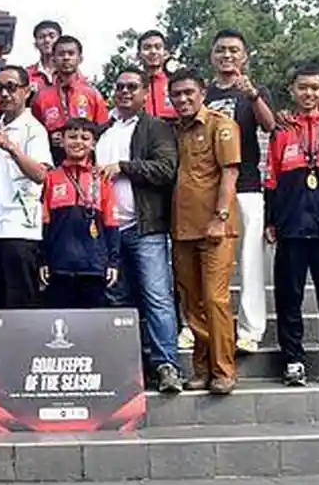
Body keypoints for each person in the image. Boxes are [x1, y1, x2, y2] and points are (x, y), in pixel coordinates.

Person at [263, 64, 319, 387]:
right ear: (292, 91)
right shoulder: (281, 131)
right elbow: (271, 179)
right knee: (289, 298)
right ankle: (293, 360)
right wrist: (271, 220)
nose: (309, 93)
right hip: (291, 227)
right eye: (303, 87)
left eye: (315, 88)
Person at [97, 68, 182, 393]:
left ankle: (166, 366)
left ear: (146, 93)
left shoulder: (156, 127)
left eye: (132, 87)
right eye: (119, 87)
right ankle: (125, 368)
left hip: (145, 227)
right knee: (117, 299)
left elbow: (166, 169)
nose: (124, 92)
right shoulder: (104, 130)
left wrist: (123, 167)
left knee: (157, 298)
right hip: (109, 233)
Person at [169, 68, 240, 395]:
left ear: (202, 93)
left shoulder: (221, 125)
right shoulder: (173, 130)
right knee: (192, 302)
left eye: (189, 93)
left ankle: (224, 370)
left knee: (215, 299)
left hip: (215, 228)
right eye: (177, 94)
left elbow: (229, 174)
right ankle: (201, 367)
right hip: (181, 229)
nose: (183, 99)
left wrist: (220, 216)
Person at [204, 28, 274, 354]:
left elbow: (271, 126)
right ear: (212, 56)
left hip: (246, 185)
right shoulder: (202, 94)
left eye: (233, 50)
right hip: (208, 189)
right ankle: (200, 323)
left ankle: (250, 329)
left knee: (250, 259)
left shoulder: (252, 91)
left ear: (244, 56)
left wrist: (254, 95)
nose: (227, 56)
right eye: (221, 50)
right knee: (207, 261)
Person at [0, 66, 52, 309]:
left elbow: (41, 174)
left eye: (11, 87)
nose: (4, 94)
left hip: (21, 228)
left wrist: (12, 148)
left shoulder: (35, 129)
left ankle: (23, 348)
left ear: (26, 91)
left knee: (20, 301)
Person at [38, 119, 120, 309]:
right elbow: (44, 223)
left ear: (93, 144)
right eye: (72, 137)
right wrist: (43, 260)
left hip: (94, 266)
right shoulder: (51, 178)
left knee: (93, 325)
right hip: (59, 266)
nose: (78, 142)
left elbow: (111, 223)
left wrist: (113, 263)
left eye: (85, 138)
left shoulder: (101, 178)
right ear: (62, 141)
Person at [31, 35, 109, 163]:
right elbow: (34, 133)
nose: (66, 58)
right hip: (53, 160)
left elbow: (103, 130)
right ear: (53, 59)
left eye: (71, 54)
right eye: (61, 54)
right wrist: (49, 138)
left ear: (80, 59)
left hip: (87, 162)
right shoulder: (41, 96)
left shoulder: (92, 94)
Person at [136, 29, 176, 119]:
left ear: (166, 54)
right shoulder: (132, 86)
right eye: (147, 48)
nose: (153, 52)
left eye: (158, 47)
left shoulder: (175, 83)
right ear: (138, 55)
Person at [26, 20, 62, 93]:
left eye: (52, 36)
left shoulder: (70, 73)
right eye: (42, 37)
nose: (47, 40)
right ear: (35, 44)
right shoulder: (27, 74)